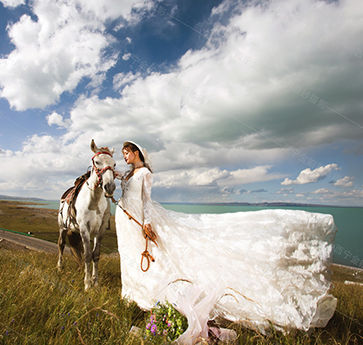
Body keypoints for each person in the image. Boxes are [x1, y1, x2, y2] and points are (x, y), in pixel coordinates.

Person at [114, 141, 337, 338]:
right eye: (123, 153)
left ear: (137, 153)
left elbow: (146, 201)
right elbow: (123, 188)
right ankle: (132, 291)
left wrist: (147, 222)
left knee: (155, 253)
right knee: (129, 254)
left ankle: (144, 291)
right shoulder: (129, 174)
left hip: (139, 218)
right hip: (125, 220)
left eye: (127, 152)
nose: (125, 156)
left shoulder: (145, 174)